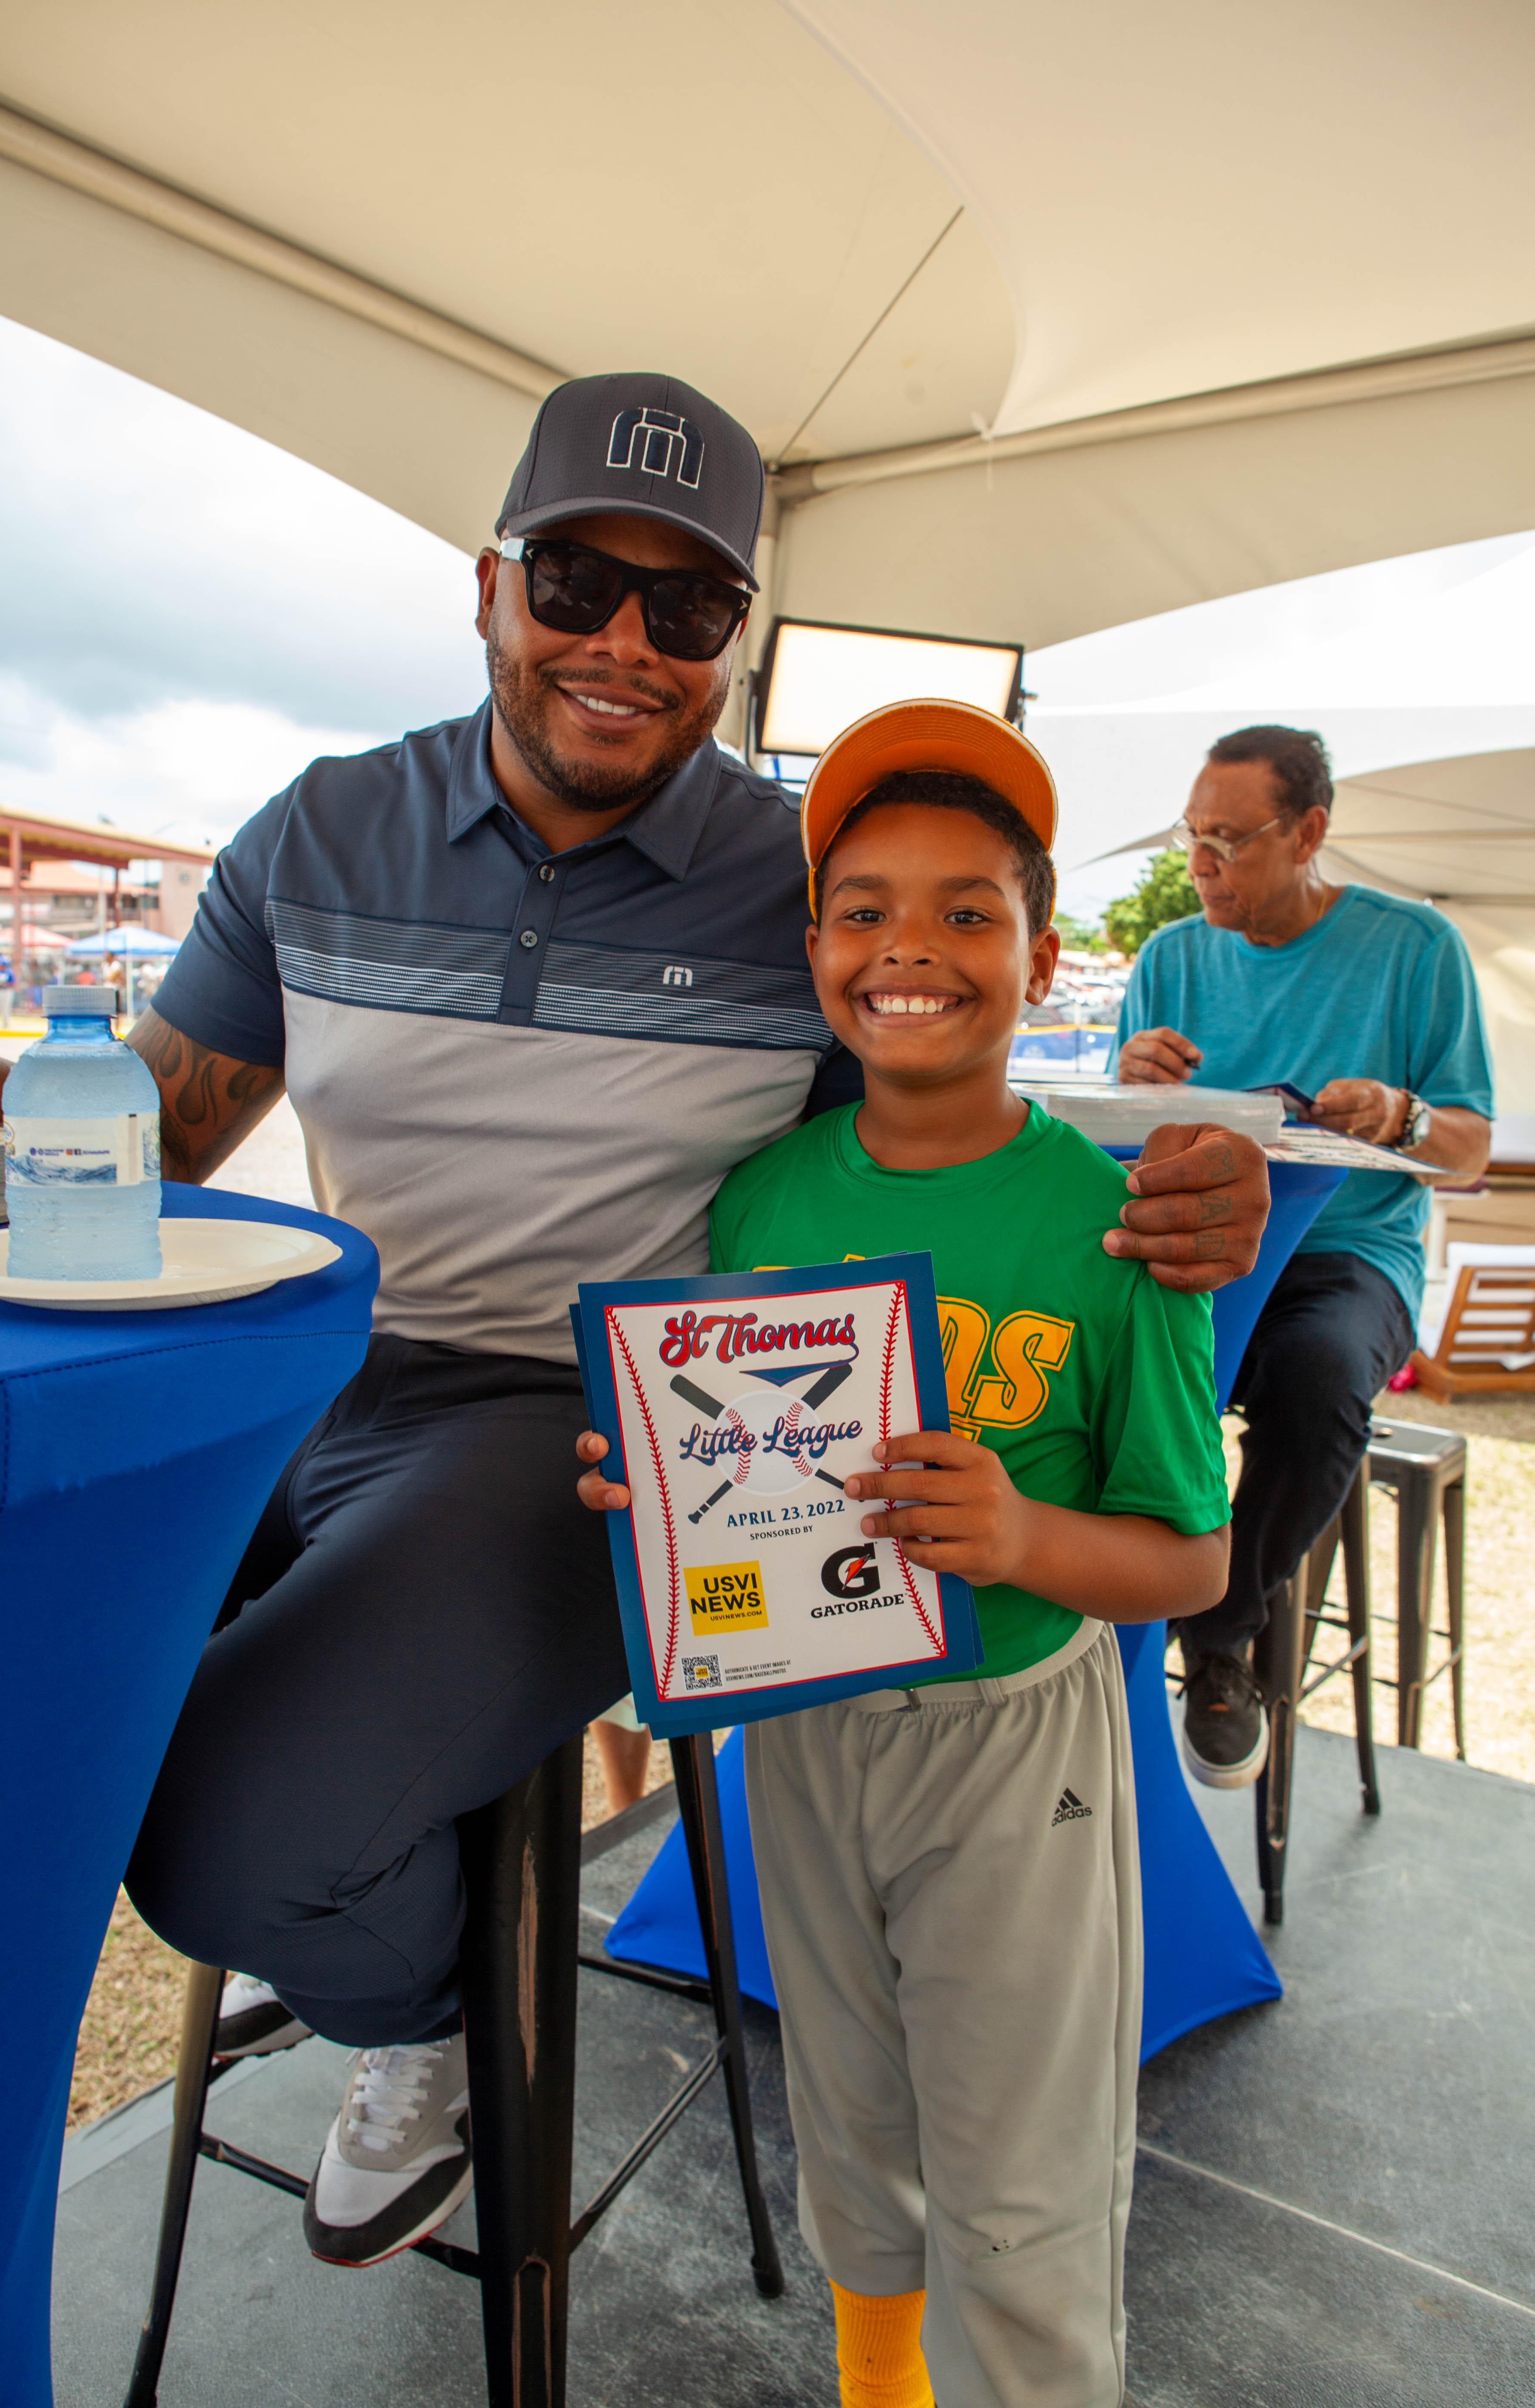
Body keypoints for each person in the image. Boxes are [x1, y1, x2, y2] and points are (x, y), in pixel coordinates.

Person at [0, 371, 1269, 2273]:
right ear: (491, 587)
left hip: (584, 1437)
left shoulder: (794, 884)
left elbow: (956, 1091)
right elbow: (152, 1133)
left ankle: (438, 2015)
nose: (624, 644)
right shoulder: (319, 833)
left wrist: (1182, 1183)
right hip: (305, 1374)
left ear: (732, 645)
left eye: (692, 608)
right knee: (21, 1716)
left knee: (226, 1834)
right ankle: (393, 1862)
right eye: (576, 582)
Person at [578, 704, 1231, 2408]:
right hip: (809, 1733)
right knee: (850, 2119)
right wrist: (658, 1475)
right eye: (864, 908)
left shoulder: (1117, 1231)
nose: (909, 950)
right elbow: (736, 1463)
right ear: (814, 950)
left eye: (966, 909)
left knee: (1021, 2188)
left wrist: (1018, 1533)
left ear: (1043, 948)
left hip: (1019, 1746)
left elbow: (1194, 1564)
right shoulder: (758, 1202)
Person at [1118, 724, 1493, 1786]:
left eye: (1228, 842)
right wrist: (1132, 1078)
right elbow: (1105, 1149)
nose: (1200, 868)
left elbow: (1466, 1149)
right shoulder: (1170, 959)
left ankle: (1219, 1632)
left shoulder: (1415, 951)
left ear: (1309, 832)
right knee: (1088, 1360)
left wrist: (1402, 1115)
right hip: (1194, 1238)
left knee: (1320, 1378)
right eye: (1192, 839)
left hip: (1346, 1251)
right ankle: (1081, 1628)